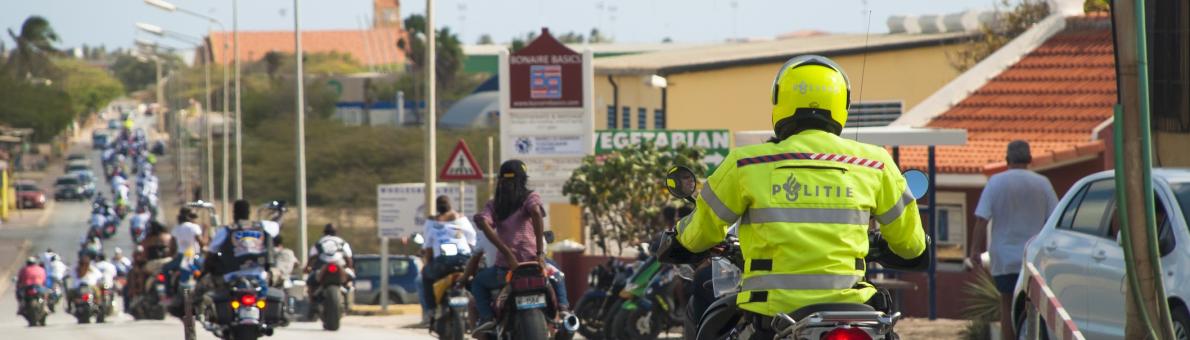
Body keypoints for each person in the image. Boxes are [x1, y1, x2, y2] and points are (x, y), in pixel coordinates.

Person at [667, 55, 927, 338]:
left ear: (780, 101)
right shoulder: (876, 164)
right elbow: (912, 247)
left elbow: (699, 234)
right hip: (853, 309)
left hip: (772, 312)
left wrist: (676, 240)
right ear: (842, 104)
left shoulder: (746, 164)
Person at [970, 140, 1058, 339]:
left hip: (1004, 257)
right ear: (1030, 159)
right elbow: (1055, 217)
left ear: (1007, 159)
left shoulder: (996, 182)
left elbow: (981, 219)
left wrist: (974, 249)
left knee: (1007, 305)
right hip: (1033, 257)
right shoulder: (1042, 183)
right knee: (1032, 307)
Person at [471, 159, 568, 333]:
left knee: (478, 283)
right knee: (558, 275)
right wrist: (539, 253)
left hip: (506, 270)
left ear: (500, 180)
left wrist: (508, 254)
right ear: (523, 178)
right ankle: (564, 310)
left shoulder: (494, 205)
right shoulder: (531, 197)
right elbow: (536, 212)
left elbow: (482, 221)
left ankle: (487, 318)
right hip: (536, 265)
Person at [420, 195, 477, 319]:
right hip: (464, 259)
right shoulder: (461, 219)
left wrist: (427, 262)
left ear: (437, 208)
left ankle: (431, 310)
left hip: (442, 263)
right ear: (450, 205)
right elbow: (472, 240)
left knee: (425, 276)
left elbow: (428, 249)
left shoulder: (433, 223)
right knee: (476, 280)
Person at [304, 224, 354, 298]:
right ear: (336, 232)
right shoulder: (342, 242)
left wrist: (307, 267)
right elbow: (348, 258)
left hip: (322, 266)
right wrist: (350, 268)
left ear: (324, 232)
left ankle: (312, 299)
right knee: (350, 279)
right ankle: (348, 292)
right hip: (339, 265)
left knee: (310, 282)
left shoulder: (319, 242)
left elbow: (312, 257)